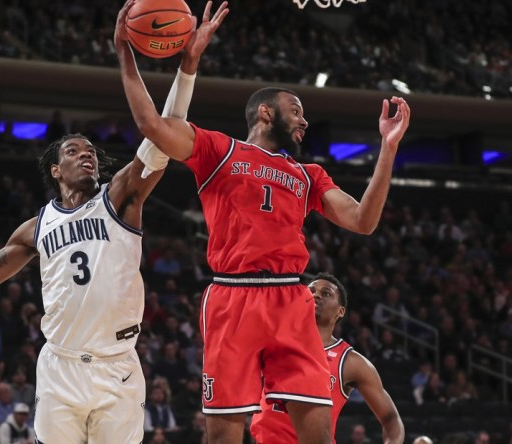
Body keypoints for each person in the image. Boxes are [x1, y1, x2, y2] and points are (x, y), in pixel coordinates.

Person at [0, 6, 228, 440]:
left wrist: (184, 65)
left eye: (89, 149)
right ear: (55, 170)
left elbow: (163, 136)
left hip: (118, 368)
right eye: (73, 151)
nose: (85, 154)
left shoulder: (121, 198)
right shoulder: (36, 228)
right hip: (60, 367)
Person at [115, 0, 410, 441]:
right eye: (296, 110)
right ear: (266, 113)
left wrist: (387, 149)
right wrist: (127, 51)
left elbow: (363, 221)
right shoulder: (220, 151)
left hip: (291, 300)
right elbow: (151, 124)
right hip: (232, 297)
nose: (305, 120)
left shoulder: (308, 174)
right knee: (223, 436)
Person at [250, 274, 404, 443]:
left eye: (326, 293)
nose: (316, 295)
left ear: (340, 311)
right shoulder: (274, 343)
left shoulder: (350, 362)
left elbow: (391, 419)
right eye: (311, 291)